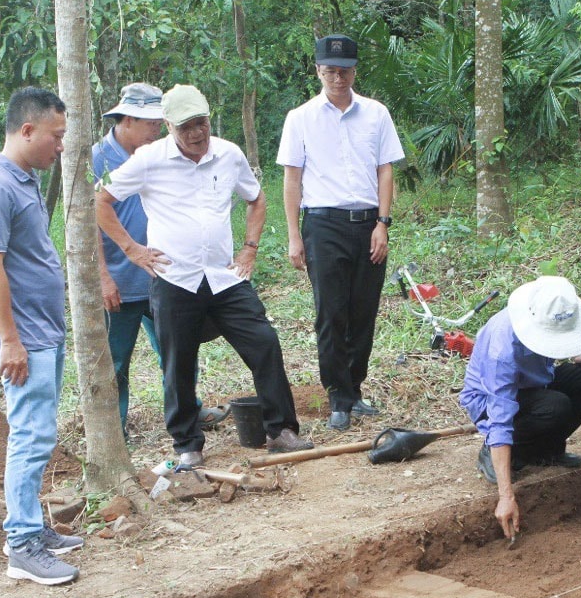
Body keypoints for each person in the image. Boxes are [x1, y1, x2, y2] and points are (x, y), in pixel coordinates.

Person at [95, 84, 312, 464]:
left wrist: (249, 248)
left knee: (264, 343)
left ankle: (281, 431)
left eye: (201, 123)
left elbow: (256, 198)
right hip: (174, 278)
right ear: (168, 125)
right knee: (177, 361)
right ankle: (187, 446)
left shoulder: (228, 154)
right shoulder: (148, 160)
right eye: (186, 127)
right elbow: (101, 199)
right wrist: (132, 249)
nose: (196, 133)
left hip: (225, 277)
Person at [0, 87, 83, 585]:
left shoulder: (24, 179)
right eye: (56, 137)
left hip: (42, 329)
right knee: (30, 436)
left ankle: (32, 527)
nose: (61, 146)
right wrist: (9, 340)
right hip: (24, 336)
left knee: (39, 433)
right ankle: (22, 545)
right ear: (27, 130)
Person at [278, 34, 405, 432]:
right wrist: (294, 236)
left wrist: (383, 223)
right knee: (331, 312)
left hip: (368, 224)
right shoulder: (300, 118)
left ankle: (355, 387)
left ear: (355, 70)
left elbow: (386, 169)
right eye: (330, 70)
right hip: (323, 224)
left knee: (363, 310)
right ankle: (338, 396)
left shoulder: (376, 114)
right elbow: (292, 179)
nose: (338, 77)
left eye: (345, 70)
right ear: (318, 71)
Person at [93, 82, 228, 436]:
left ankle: (190, 410)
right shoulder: (98, 159)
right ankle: (114, 429)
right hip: (122, 280)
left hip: (165, 275)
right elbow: (87, 222)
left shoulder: (169, 153)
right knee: (116, 360)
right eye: (152, 123)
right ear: (127, 119)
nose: (158, 129)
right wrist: (104, 276)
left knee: (178, 350)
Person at [459, 276, 581, 539]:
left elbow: (550, 341)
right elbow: (500, 417)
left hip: (535, 385)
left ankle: (545, 450)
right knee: (555, 406)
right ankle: (492, 451)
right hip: (491, 402)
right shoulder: (502, 349)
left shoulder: (545, 312)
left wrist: (575, 353)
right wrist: (506, 496)